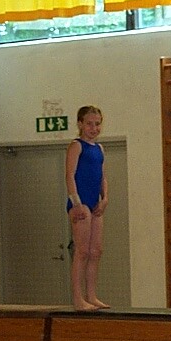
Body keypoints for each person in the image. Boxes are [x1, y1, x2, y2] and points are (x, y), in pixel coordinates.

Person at [65, 105, 110, 311]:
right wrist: (76, 203)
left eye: (97, 124)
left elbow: (102, 177)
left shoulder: (99, 148)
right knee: (82, 251)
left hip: (94, 202)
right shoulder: (77, 146)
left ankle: (91, 295)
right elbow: (70, 175)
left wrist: (105, 198)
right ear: (80, 124)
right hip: (80, 203)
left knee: (96, 251)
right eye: (89, 124)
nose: (94, 128)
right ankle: (78, 298)